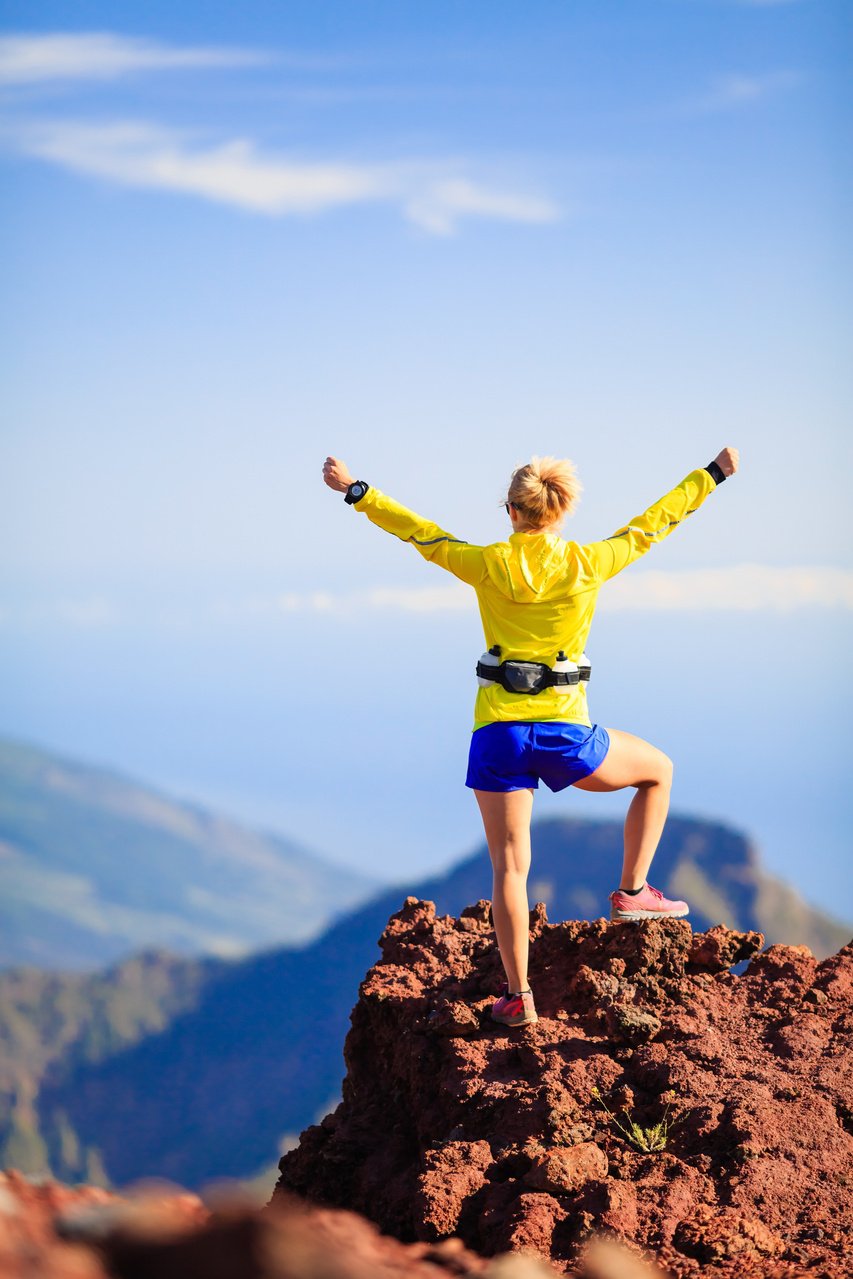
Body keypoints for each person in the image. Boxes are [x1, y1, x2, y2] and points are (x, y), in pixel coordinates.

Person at [322, 448, 739, 1027]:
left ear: (511, 511)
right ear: (562, 512)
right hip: (567, 734)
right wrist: (710, 476)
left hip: (497, 734)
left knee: (510, 869)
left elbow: (420, 534)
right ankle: (633, 891)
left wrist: (357, 490)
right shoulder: (588, 563)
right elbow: (653, 524)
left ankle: (520, 998)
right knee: (657, 771)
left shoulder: (490, 564)